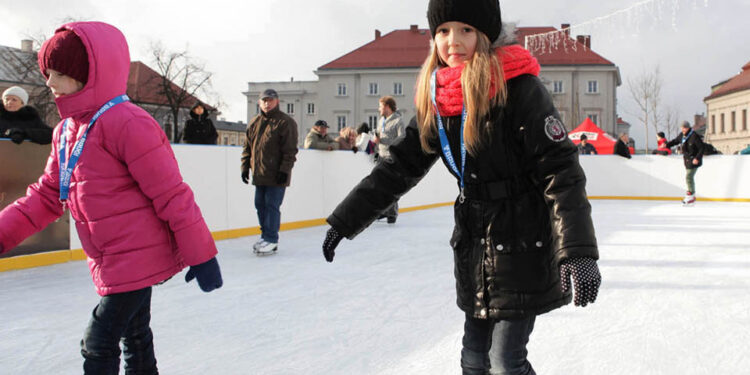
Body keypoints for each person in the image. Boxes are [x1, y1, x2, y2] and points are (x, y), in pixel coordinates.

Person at [320, 1, 601, 374]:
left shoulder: (519, 88)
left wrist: (578, 250)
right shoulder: (438, 99)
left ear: (485, 35)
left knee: (505, 362)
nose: (453, 41)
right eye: (443, 31)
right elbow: (399, 167)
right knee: (472, 360)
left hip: (523, 244)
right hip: (474, 247)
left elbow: (561, 171)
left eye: (466, 30)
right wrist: (345, 220)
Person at [0, 22, 223, 375]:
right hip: (110, 257)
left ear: (87, 74)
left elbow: (171, 194)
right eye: (48, 73)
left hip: (138, 257)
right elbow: (45, 196)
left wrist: (202, 254)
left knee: (98, 342)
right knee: (135, 337)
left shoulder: (128, 123)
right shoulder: (66, 131)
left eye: (58, 73)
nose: (49, 83)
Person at [241, 89, 299, 254]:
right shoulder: (255, 122)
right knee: (260, 205)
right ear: (259, 102)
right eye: (264, 100)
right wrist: (245, 167)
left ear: (277, 101)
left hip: (277, 173)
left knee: (272, 205)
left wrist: (284, 170)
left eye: (270, 100)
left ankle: (272, 239)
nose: (267, 103)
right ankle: (265, 235)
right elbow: (248, 148)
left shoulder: (285, 122)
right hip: (260, 173)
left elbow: (290, 151)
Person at [375, 96, 406, 223]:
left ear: (387, 107)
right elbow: (379, 135)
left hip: (392, 158)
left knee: (391, 187)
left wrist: (385, 141)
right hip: (381, 156)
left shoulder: (398, 120)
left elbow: (402, 137)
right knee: (380, 186)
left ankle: (392, 213)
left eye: (381, 106)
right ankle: (386, 211)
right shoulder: (381, 120)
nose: (379, 109)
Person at [665, 121, 704, 205]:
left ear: (688, 128)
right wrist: (666, 145)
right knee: (689, 177)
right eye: (681, 128)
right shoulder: (682, 135)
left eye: (684, 128)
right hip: (687, 160)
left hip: (694, 160)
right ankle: (691, 195)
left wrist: (697, 158)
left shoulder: (694, 136)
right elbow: (675, 141)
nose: (682, 129)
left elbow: (701, 148)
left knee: (689, 176)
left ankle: (691, 195)